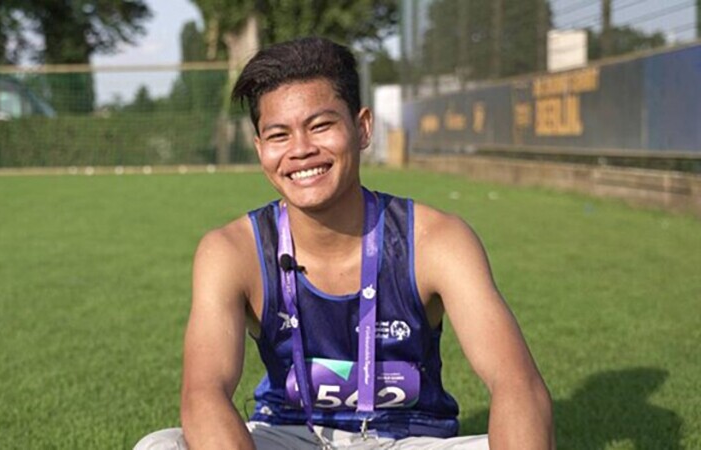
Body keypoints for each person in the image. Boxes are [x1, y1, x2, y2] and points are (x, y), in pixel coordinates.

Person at [135, 37, 554, 449]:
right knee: (162, 446)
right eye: (279, 135)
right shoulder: (231, 250)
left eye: (320, 125)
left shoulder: (436, 240)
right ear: (261, 149)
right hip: (287, 436)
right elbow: (203, 393)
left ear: (362, 127)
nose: (300, 150)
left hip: (408, 440)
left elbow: (516, 382)